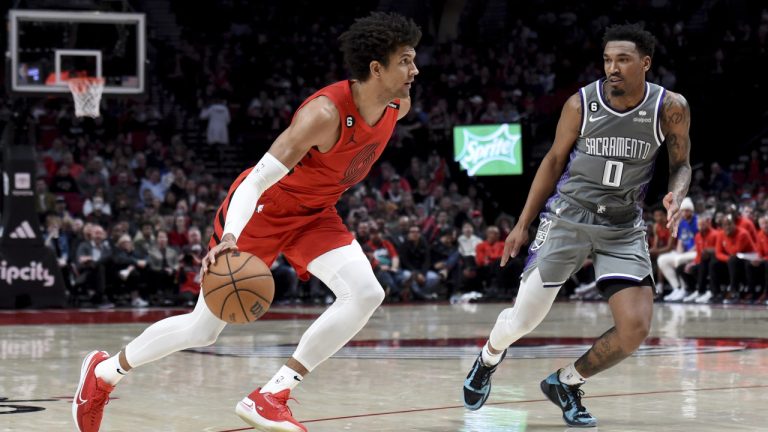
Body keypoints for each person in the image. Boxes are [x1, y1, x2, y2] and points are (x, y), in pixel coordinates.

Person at [73, 12, 421, 432]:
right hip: (263, 210)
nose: (414, 70)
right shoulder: (324, 115)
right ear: (376, 68)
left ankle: (272, 394)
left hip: (316, 214)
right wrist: (231, 236)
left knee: (366, 293)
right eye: (405, 60)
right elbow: (255, 180)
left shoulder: (397, 106)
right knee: (204, 329)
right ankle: (103, 374)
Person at [462, 23, 691, 427]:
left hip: (623, 225)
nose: (612, 67)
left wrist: (675, 193)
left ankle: (565, 383)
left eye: (622, 59)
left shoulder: (670, 107)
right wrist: (522, 224)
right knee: (525, 319)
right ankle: (488, 358)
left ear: (646, 63)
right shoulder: (581, 103)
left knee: (635, 328)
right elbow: (552, 161)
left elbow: (681, 165)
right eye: (607, 59)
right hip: (568, 215)